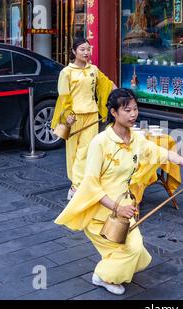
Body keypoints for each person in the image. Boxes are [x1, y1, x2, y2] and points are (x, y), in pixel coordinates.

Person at [54, 88, 183, 295]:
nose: (133, 114)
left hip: (125, 208)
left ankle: (111, 269)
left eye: (135, 109)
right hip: (100, 210)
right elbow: (91, 184)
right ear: (113, 112)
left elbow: (165, 154)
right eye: (127, 110)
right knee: (131, 250)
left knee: (137, 254)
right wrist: (117, 207)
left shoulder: (136, 140)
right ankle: (103, 275)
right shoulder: (100, 142)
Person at [51, 38, 117, 200]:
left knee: (86, 150)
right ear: (74, 51)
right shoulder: (66, 72)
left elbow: (106, 84)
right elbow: (64, 95)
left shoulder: (93, 69)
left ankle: (77, 186)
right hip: (73, 117)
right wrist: (68, 115)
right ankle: (76, 183)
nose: (86, 52)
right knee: (73, 152)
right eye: (82, 49)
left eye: (88, 49)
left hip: (91, 114)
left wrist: (122, 94)